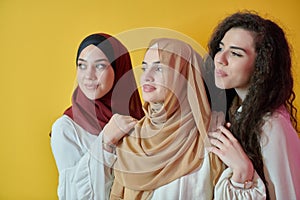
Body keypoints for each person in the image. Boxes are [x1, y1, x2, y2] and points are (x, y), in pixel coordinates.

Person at [207, 11, 300, 199]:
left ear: (261, 65)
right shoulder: (233, 111)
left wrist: (243, 171)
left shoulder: (272, 124)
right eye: (220, 47)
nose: (220, 59)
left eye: (235, 53)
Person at [50, 33, 144, 200]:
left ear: (120, 70)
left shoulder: (138, 120)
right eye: (82, 65)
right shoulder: (66, 129)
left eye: (99, 66)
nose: (89, 75)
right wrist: (106, 141)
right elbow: (73, 196)